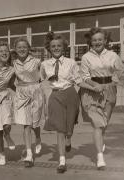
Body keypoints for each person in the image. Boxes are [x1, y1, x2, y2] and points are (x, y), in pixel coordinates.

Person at [40, 32, 95, 173]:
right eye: (53, 46)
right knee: (60, 129)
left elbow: (78, 81)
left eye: (59, 45)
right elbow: (39, 80)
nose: (56, 48)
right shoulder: (44, 64)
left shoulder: (71, 63)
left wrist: (94, 87)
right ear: (49, 48)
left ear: (64, 47)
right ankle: (62, 161)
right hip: (55, 96)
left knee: (68, 128)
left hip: (71, 95)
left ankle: (69, 139)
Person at [80, 27, 124, 170]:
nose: (97, 42)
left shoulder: (113, 55)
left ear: (105, 41)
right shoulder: (86, 57)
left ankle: (100, 141)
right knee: (98, 124)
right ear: (90, 42)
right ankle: (100, 156)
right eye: (94, 40)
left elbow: (121, 72)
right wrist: (95, 85)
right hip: (92, 92)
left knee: (103, 122)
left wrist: (115, 83)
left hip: (109, 91)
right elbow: (85, 76)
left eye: (100, 39)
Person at [13, 37, 45, 167]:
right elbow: (10, 80)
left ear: (28, 48)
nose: (22, 49)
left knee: (35, 123)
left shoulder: (37, 61)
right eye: (19, 47)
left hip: (35, 92)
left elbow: (43, 78)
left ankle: (38, 137)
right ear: (15, 50)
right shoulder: (13, 63)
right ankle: (29, 155)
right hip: (21, 93)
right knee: (26, 124)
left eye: (24, 47)